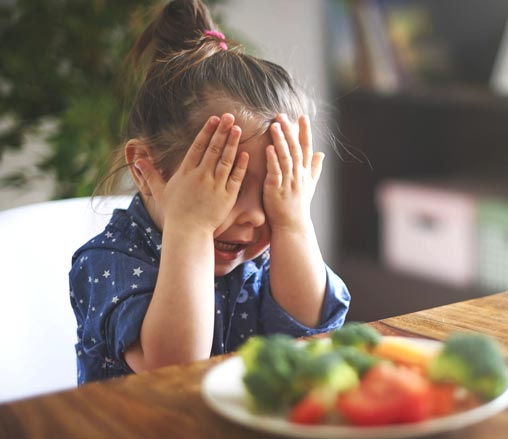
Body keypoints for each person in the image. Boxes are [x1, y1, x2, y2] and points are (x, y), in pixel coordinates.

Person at [69, 0, 350, 384]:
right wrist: (192, 228)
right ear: (144, 169)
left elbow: (312, 330)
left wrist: (293, 223)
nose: (255, 216)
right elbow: (173, 367)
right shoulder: (109, 260)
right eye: (228, 187)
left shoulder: (266, 249)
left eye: (272, 190)